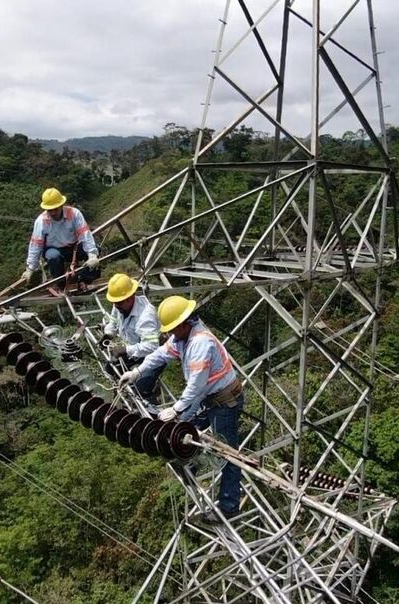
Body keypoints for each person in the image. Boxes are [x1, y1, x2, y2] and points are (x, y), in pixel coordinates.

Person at [119, 295, 244, 524]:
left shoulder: (200, 343)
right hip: (209, 398)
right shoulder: (183, 336)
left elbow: (195, 386)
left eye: (173, 329)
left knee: (227, 453)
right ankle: (191, 464)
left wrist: (176, 411)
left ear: (185, 323)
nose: (170, 334)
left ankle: (229, 507)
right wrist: (138, 372)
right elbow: (160, 354)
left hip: (225, 402)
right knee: (182, 434)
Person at [100, 273, 163, 411]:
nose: (116, 306)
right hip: (134, 350)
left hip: (154, 355)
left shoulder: (146, 315)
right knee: (110, 368)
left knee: (141, 388)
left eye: (119, 303)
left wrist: (125, 350)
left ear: (130, 297)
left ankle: (153, 413)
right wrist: (108, 334)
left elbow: (152, 346)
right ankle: (122, 400)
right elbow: (114, 322)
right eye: (114, 303)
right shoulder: (119, 305)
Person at [21, 187, 100, 289]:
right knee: (54, 257)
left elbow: (85, 234)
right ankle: (61, 286)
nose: (53, 213)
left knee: (96, 250)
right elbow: (35, 246)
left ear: (61, 205)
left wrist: (92, 255)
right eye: (50, 210)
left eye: (55, 209)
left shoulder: (74, 214)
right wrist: (30, 269)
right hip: (53, 249)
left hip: (73, 247)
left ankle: (85, 281)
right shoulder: (41, 221)